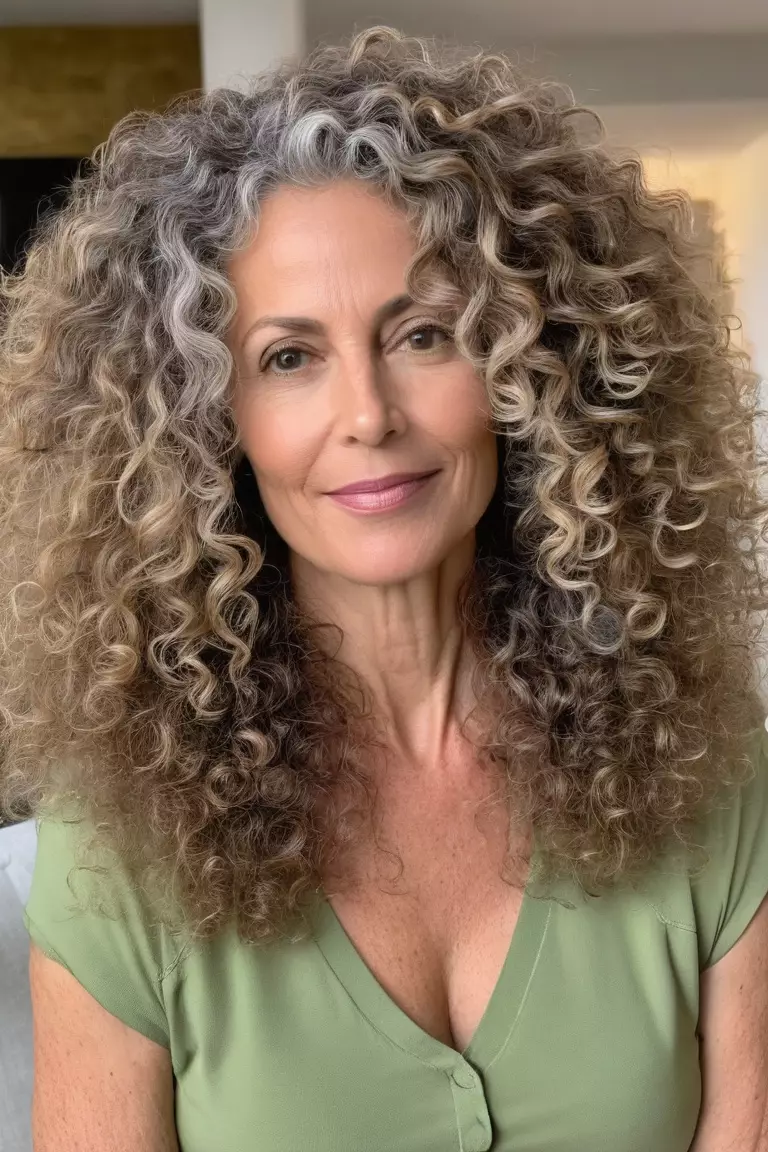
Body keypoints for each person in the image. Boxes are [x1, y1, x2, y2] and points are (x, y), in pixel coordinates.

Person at [1, 24, 767, 1152]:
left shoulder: (707, 762)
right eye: (290, 357)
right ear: (209, 419)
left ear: (529, 368)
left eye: (423, 333)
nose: (369, 414)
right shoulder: (119, 847)